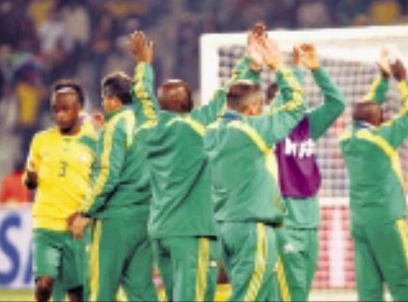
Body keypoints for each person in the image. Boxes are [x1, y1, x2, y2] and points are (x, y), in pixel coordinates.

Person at [128, 29, 251, 302]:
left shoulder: (149, 128)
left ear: (162, 106)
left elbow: (142, 100)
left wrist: (143, 66)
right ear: (191, 103)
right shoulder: (198, 127)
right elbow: (227, 94)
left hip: (160, 230)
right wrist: (248, 63)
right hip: (192, 232)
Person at [204, 28, 306, 301]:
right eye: (260, 107)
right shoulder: (255, 129)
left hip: (222, 225)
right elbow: (296, 105)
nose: (263, 111)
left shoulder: (209, 129)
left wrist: (251, 65)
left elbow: (234, 95)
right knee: (248, 296)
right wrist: (279, 66)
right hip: (252, 228)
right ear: (251, 111)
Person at [339, 51, 408, 301]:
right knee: (405, 282)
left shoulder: (347, 138)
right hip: (387, 220)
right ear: (380, 119)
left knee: (369, 290)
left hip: (360, 222)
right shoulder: (382, 138)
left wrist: (382, 79)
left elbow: (365, 108)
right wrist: (403, 80)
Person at [70, 69, 157, 302]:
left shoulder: (116, 126)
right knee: (142, 290)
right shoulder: (145, 121)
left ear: (113, 100)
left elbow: (108, 174)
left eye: (104, 98)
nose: (102, 103)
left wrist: (86, 211)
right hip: (144, 218)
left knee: (101, 289)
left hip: (115, 220)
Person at [267, 43, 345, 302]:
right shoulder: (269, 128)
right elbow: (286, 100)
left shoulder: (308, 124)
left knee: (302, 293)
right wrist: (296, 70)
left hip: (310, 221)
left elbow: (337, 104)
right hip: (284, 221)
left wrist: (316, 69)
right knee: (291, 293)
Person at [23, 80, 96, 302]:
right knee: (44, 284)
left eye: (66, 109)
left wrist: (87, 215)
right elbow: (29, 181)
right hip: (45, 224)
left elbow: (102, 182)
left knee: (76, 293)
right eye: (55, 109)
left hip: (76, 227)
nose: (59, 115)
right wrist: (31, 179)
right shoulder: (40, 140)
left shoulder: (93, 141)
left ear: (79, 109)